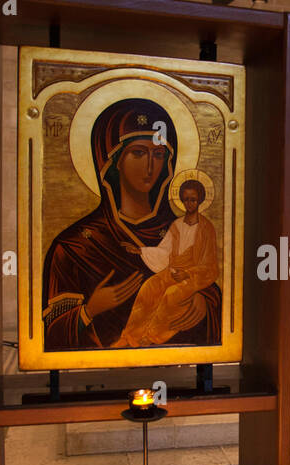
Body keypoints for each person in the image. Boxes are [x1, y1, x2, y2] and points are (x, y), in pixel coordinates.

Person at [42, 97, 177, 351]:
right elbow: (51, 332)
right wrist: (89, 310)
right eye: (138, 153)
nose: (150, 166)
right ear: (111, 160)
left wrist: (203, 302)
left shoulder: (181, 231)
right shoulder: (74, 246)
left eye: (158, 154)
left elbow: (209, 289)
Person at [114, 179, 221, 347]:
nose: (189, 203)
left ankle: (151, 337)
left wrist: (187, 273)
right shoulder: (177, 225)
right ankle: (129, 337)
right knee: (149, 287)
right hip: (172, 271)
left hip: (192, 276)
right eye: (186, 199)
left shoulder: (206, 228)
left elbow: (210, 265)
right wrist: (141, 250)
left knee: (171, 294)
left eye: (193, 199)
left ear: (200, 200)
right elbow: (165, 251)